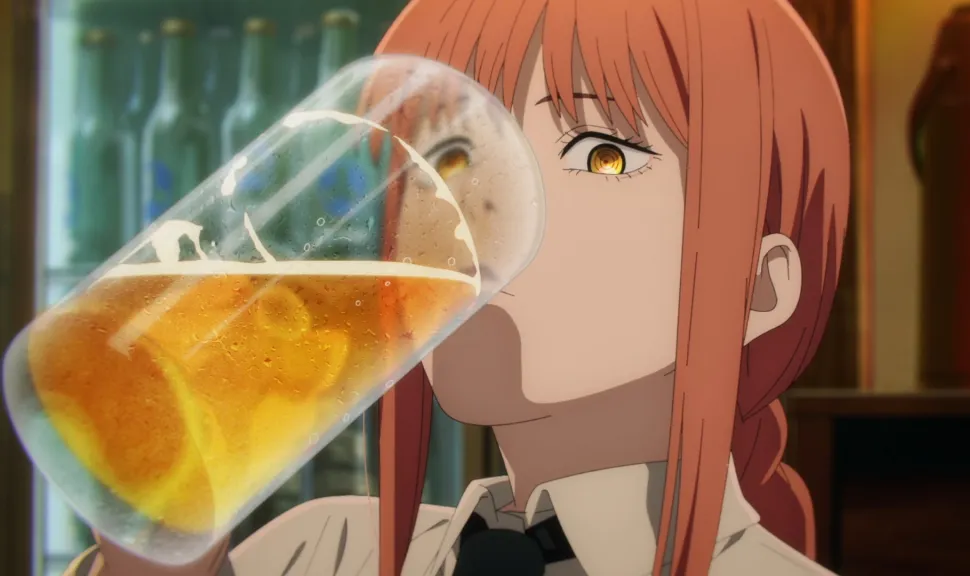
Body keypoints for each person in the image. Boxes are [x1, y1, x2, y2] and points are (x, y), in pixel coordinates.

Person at [64, 0, 849, 574]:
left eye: (601, 154)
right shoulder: (325, 553)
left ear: (760, 287)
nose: (481, 212)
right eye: (449, 156)